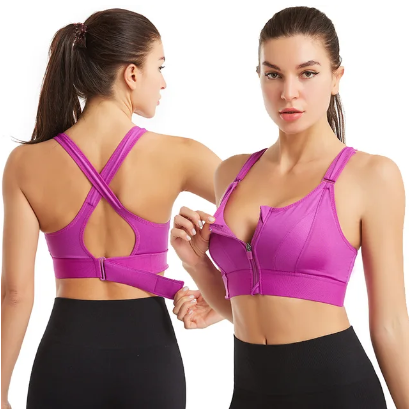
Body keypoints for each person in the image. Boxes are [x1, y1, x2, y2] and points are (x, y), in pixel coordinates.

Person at [171, 6, 409, 409]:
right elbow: (245, 308)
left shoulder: (371, 175)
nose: (288, 92)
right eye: (273, 74)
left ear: (336, 77)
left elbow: (391, 324)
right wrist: (195, 262)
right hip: (249, 393)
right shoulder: (231, 173)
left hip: (337, 392)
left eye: (307, 73)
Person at [1, 8, 220, 409]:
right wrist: (222, 301)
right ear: (132, 74)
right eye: (160, 67)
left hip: (66, 354)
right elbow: (268, 222)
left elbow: (14, 294)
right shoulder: (180, 155)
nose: (163, 82)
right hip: (149, 357)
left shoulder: (25, 164)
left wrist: (0, 392)